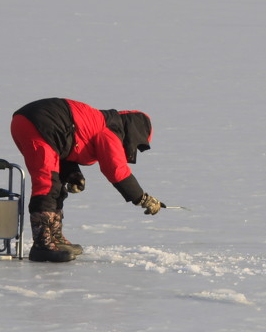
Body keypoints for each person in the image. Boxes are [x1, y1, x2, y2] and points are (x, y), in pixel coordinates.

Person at [10, 98, 163, 263]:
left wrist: (73, 174)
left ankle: (55, 240)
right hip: (40, 124)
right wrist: (141, 198)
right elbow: (116, 170)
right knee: (47, 184)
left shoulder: (99, 122)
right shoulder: (110, 130)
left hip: (33, 123)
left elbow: (66, 144)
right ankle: (41, 246)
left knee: (56, 184)